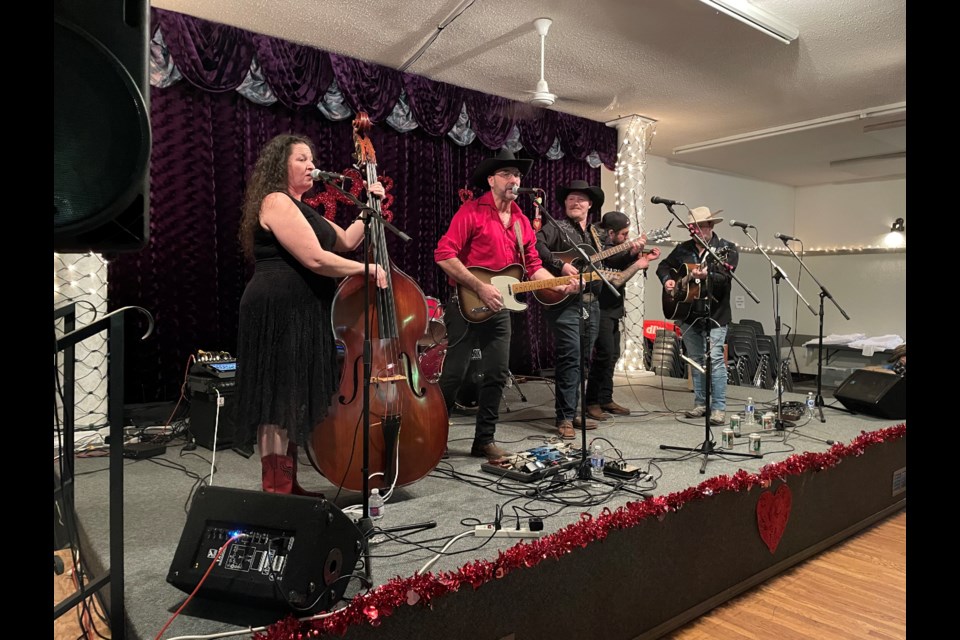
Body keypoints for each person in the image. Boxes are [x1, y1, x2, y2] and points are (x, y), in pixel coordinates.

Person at [235, 133, 387, 494]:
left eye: (311, 158)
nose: (310, 165)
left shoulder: (303, 209)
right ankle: (276, 488)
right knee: (277, 397)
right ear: (280, 166)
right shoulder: (275, 201)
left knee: (291, 395)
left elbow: (348, 241)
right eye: (301, 158)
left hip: (301, 307)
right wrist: (365, 271)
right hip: (278, 307)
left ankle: (287, 481)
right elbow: (315, 259)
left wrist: (370, 208)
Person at [434, 149, 577, 461]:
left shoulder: (522, 221)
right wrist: (479, 286)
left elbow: (534, 264)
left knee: (497, 373)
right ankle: (435, 440)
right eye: (507, 174)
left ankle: (483, 440)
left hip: (500, 309)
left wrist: (558, 283)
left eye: (517, 175)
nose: (514, 179)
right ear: (491, 180)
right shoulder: (471, 211)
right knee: (454, 374)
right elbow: (444, 254)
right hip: (465, 303)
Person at [535, 180, 608, 440]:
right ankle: (564, 417)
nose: (574, 202)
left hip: (591, 304)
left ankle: (574, 411)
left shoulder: (594, 236)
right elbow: (537, 247)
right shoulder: (558, 228)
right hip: (563, 301)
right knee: (570, 357)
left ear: (590, 205)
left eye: (580, 199)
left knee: (583, 360)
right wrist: (560, 265)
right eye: (570, 199)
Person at [655, 206, 739, 426]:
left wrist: (708, 275)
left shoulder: (726, 249)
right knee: (696, 360)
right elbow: (663, 266)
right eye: (693, 228)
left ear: (710, 226)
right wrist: (668, 281)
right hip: (688, 313)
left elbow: (725, 277)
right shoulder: (682, 250)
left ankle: (719, 408)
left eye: (701, 226)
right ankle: (700, 403)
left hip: (716, 314)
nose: (697, 231)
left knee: (716, 361)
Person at [584, 211, 661, 421]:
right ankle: (591, 402)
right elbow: (610, 262)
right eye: (624, 234)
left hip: (614, 307)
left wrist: (638, 255)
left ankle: (605, 398)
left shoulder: (614, 246)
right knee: (604, 354)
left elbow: (618, 261)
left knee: (613, 355)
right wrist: (635, 260)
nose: (627, 237)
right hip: (598, 307)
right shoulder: (595, 245)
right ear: (611, 233)